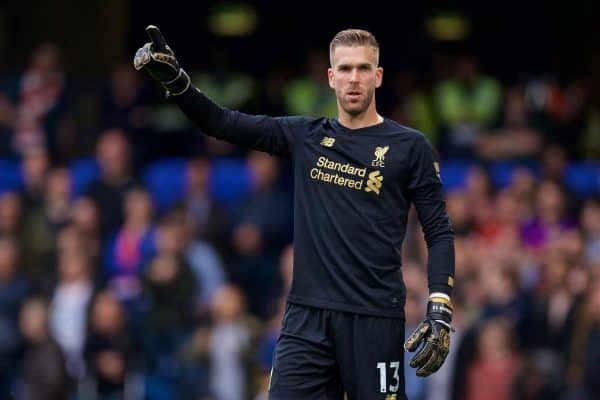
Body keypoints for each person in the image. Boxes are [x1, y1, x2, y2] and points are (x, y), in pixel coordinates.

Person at [134, 26, 455, 400]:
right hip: (307, 318)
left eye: (364, 68)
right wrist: (177, 82)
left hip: (374, 318)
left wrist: (439, 305)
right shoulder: (306, 136)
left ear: (378, 76)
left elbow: (439, 231)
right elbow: (220, 122)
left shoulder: (410, 146)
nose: (354, 78)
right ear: (331, 78)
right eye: (346, 69)